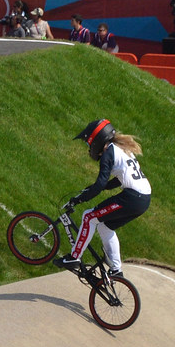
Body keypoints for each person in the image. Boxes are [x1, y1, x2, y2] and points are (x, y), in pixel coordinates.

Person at [54, 119, 151, 278]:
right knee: (105, 226)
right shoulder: (122, 149)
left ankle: (74, 257)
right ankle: (116, 270)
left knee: (88, 216)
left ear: (96, 140)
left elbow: (100, 184)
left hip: (132, 197)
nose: (88, 147)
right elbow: (116, 180)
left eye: (88, 143)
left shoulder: (108, 153)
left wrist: (80, 198)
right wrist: (96, 188)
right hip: (143, 199)